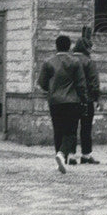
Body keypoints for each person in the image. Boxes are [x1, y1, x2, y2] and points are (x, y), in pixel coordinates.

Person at [37, 34, 87, 172]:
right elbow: (81, 84)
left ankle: (60, 160)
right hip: (72, 100)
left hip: (54, 101)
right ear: (69, 46)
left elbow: (42, 83)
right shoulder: (75, 62)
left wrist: (51, 89)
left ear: (56, 46)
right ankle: (62, 154)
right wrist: (83, 99)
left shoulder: (48, 62)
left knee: (58, 130)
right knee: (70, 131)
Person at [71, 37, 101, 164]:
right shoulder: (89, 62)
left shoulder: (68, 60)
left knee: (71, 127)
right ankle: (86, 155)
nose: (91, 50)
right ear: (86, 48)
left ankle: (70, 155)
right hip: (86, 99)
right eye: (90, 47)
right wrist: (97, 98)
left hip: (70, 99)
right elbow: (94, 81)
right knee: (86, 128)